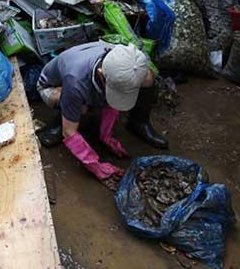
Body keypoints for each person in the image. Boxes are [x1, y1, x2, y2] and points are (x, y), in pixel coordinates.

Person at [36, 42, 168, 189]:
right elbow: (69, 132)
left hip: (89, 80)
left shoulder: (131, 64)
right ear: (100, 73)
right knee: (81, 108)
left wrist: (106, 136)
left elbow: (114, 100)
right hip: (53, 87)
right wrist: (95, 165)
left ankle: (137, 124)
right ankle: (62, 117)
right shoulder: (75, 82)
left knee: (142, 84)